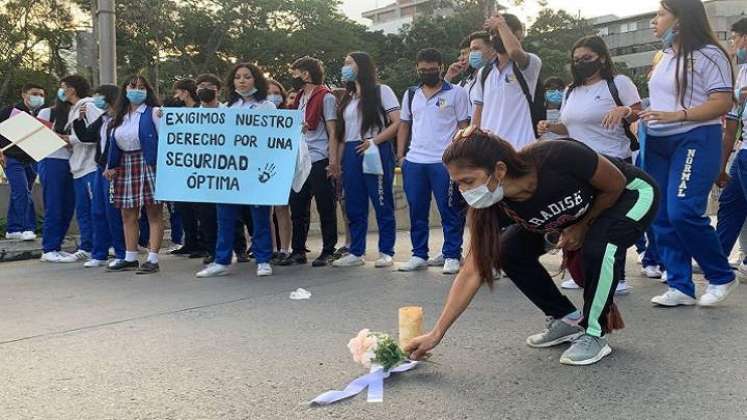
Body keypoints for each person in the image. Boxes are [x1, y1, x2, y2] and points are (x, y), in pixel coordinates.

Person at [404, 128, 659, 366]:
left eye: (468, 181)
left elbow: (614, 184)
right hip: (575, 216)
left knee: (599, 246)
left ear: (500, 170)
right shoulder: (489, 209)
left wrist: (583, 226)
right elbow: (471, 271)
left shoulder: (558, 155)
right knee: (507, 250)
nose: (464, 191)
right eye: (458, 183)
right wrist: (436, 333)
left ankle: (595, 332)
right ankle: (567, 318)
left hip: (629, 194)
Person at [640, 0, 737, 307]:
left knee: (683, 211)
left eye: (660, 14)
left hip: (694, 137)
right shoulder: (664, 56)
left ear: (681, 18)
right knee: (661, 214)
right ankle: (680, 285)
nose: (654, 21)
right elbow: (660, 100)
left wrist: (678, 115)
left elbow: (722, 102)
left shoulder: (710, 53)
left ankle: (721, 275)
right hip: (656, 143)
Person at [538, 35, 643, 294]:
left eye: (587, 58)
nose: (581, 63)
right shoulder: (571, 90)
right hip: (579, 164)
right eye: (576, 60)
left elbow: (639, 112)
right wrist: (551, 127)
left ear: (602, 58)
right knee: (578, 218)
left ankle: (616, 277)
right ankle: (580, 271)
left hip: (613, 161)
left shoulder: (618, 83)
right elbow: (570, 125)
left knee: (607, 221)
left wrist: (626, 111)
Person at [196, 64, 275, 278]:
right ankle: (221, 260)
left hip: (256, 169)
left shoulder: (266, 106)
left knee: (259, 215)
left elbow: (275, 135)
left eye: (247, 77)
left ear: (255, 80)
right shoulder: (227, 108)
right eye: (238, 77)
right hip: (229, 169)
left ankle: (263, 259)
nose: (242, 81)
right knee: (225, 215)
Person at [396, 48, 470, 274]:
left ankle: (451, 255)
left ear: (441, 67)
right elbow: (404, 125)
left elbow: (463, 127)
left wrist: (459, 158)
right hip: (415, 161)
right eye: (423, 70)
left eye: (432, 69)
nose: (428, 73)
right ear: (417, 69)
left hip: (444, 161)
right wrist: (401, 156)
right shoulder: (411, 94)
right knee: (417, 210)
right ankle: (418, 254)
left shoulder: (457, 93)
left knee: (450, 209)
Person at [331, 51, 400, 268]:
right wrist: (337, 163)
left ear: (362, 66)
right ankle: (356, 251)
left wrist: (375, 141)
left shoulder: (382, 91)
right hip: (351, 152)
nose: (345, 66)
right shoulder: (348, 98)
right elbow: (342, 135)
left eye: (349, 62)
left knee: (382, 201)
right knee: (354, 204)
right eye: (344, 63)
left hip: (374, 149)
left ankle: (386, 251)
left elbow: (397, 122)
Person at [279, 56, 339, 267]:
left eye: (295, 73)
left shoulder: (326, 97)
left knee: (325, 207)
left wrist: (333, 161)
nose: (293, 77)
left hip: (319, 156)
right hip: (301, 159)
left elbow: (332, 131)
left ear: (306, 74)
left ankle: (328, 249)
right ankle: (298, 250)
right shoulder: (299, 99)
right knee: (298, 206)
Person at [104, 75, 164, 274]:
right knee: (127, 212)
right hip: (125, 164)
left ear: (147, 91)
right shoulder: (119, 116)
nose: (137, 90)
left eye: (141, 87)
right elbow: (113, 144)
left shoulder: (154, 112)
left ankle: (153, 259)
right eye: (133, 86)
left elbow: (165, 139)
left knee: (153, 211)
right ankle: (130, 257)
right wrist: (110, 166)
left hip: (149, 163)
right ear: (125, 90)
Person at [71, 84, 126, 268]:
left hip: (114, 170)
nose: (96, 100)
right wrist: (79, 120)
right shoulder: (103, 118)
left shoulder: (122, 118)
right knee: (97, 211)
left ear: (109, 97)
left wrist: (113, 165)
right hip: (100, 169)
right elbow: (87, 136)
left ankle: (121, 252)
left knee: (113, 213)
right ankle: (99, 254)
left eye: (99, 96)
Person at [472, 13, 543, 149]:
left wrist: (500, 24)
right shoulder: (484, 72)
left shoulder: (530, 64)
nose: (495, 36)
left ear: (518, 34)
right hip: (490, 151)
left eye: (499, 32)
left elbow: (515, 52)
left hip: (521, 150)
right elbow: (478, 111)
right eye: (492, 33)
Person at [60, 75, 103, 263]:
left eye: (63, 87)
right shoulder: (73, 110)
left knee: (95, 210)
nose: (61, 91)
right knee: (83, 211)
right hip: (77, 166)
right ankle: (86, 246)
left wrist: (70, 139)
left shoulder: (89, 106)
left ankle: (99, 246)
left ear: (72, 89)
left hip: (90, 166)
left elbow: (97, 133)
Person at [716, 17, 747, 278]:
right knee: (731, 201)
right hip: (743, 150)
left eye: (735, 37)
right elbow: (731, 124)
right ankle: (715, 257)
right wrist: (722, 165)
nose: (733, 44)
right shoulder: (743, 71)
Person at [0, 83, 45, 241]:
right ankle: (28, 227)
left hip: (32, 159)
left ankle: (13, 229)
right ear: (24, 94)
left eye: (41, 95)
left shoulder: (42, 115)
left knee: (20, 193)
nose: (38, 97)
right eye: (34, 93)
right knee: (22, 191)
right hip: (11, 158)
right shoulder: (10, 112)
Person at [168, 78, 207, 258]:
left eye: (178, 92)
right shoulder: (178, 112)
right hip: (182, 163)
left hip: (200, 163)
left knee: (199, 207)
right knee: (183, 206)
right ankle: (190, 242)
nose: (176, 96)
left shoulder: (201, 110)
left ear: (185, 92)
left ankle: (203, 243)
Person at [37, 99, 76, 262]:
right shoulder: (47, 113)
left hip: (73, 162)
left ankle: (57, 246)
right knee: (54, 205)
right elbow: (38, 139)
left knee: (68, 206)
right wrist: (63, 139)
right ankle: (49, 248)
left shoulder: (78, 114)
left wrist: (68, 140)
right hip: (52, 160)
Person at [267, 78, 293, 263]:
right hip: (260, 167)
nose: (273, 97)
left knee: (281, 209)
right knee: (264, 211)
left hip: (281, 165)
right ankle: (271, 248)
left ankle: (285, 248)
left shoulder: (288, 115)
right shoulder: (256, 113)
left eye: (277, 93)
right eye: (269, 93)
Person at [539, 77, 565, 141]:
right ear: (544, 92)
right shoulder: (538, 113)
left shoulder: (567, 112)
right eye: (552, 89)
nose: (557, 92)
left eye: (560, 89)